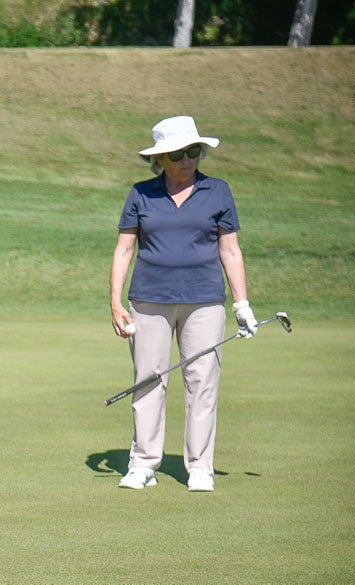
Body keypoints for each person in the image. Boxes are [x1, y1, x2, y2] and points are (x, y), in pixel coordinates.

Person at [108, 115, 258, 492]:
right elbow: (125, 249)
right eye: (178, 154)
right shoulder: (141, 193)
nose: (187, 160)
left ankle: (200, 467)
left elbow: (231, 250)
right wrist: (115, 301)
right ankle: (143, 463)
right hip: (149, 299)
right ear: (160, 159)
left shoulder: (218, 191)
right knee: (148, 380)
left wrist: (242, 304)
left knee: (202, 381)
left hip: (204, 300)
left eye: (194, 151)